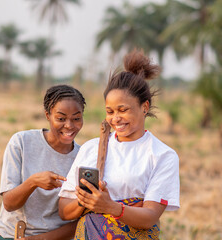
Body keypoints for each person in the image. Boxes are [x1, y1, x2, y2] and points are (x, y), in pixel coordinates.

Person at [58, 50, 180, 240]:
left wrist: (109, 207)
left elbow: (149, 217)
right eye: (110, 111)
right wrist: (86, 200)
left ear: (145, 107)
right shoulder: (92, 148)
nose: (115, 118)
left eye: (123, 110)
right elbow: (64, 210)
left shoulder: (162, 155)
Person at [0, 85, 87, 240]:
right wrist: (33, 182)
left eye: (76, 118)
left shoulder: (83, 158)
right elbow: (9, 204)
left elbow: (80, 221)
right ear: (47, 115)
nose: (69, 125)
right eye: (61, 119)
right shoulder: (22, 142)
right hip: (11, 235)